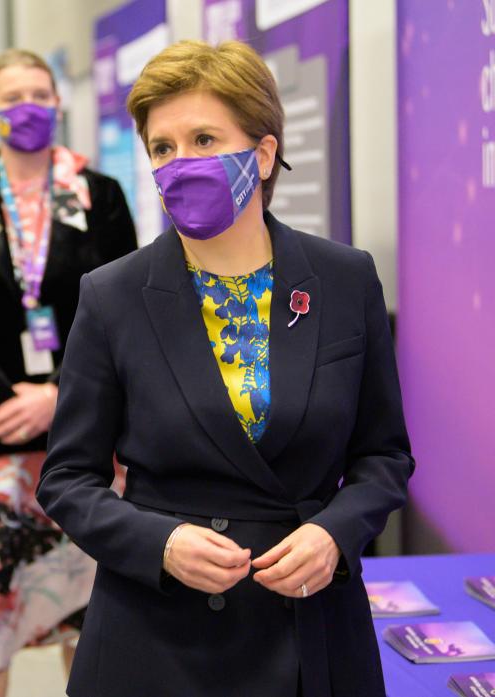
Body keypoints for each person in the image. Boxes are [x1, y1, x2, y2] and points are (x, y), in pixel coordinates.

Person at [36, 40, 414, 697]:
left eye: (205, 138)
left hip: (308, 622)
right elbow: (68, 478)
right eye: (163, 147)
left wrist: (335, 534)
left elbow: (384, 456)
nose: (180, 164)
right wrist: (157, 541)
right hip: (157, 636)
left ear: (263, 153)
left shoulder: (344, 280)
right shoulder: (112, 295)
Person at [0, 48, 137, 697]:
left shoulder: (98, 196)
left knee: (92, 619)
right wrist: (4, 394)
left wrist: (57, 395)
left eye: (40, 94)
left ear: (60, 102)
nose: (29, 108)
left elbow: (124, 308)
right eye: (12, 98)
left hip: (84, 441)